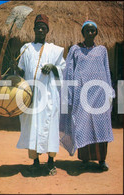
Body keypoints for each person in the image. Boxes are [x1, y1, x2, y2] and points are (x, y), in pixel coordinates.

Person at [60, 20, 115, 171]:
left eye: (93, 31)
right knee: (83, 125)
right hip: (81, 94)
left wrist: (110, 91)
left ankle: (102, 160)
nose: (90, 33)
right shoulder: (75, 50)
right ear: (83, 33)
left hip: (100, 95)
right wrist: (69, 93)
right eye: (87, 31)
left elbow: (106, 70)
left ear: (96, 33)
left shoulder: (102, 50)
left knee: (101, 125)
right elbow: (69, 71)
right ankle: (84, 159)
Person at [15, 14, 66, 175]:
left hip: (49, 96)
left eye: (44, 28)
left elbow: (62, 72)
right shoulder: (26, 49)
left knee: (50, 126)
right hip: (30, 96)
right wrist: (14, 68)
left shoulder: (55, 50)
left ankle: (51, 162)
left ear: (47, 31)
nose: (41, 30)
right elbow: (21, 71)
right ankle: (35, 161)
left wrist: (53, 66)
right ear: (34, 29)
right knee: (32, 127)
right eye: (38, 27)